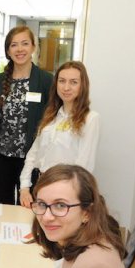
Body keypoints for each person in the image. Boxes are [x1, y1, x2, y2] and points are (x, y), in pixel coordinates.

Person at [0, 164, 131, 268]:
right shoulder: (74, 241)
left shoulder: (97, 267)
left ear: (87, 213)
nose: (46, 217)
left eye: (60, 205)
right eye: (42, 204)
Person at [0, 26, 53, 205]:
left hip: (31, 161)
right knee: (4, 208)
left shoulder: (46, 80)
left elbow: (52, 122)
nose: (20, 49)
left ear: (33, 47)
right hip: (1, 159)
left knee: (29, 210)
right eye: (14, 45)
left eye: (25, 44)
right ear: (7, 50)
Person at [19, 61, 100, 208]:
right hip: (41, 186)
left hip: (67, 194)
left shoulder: (90, 119)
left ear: (83, 85)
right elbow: (33, 154)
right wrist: (24, 187)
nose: (66, 87)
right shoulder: (51, 116)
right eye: (62, 81)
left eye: (73, 82)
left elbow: (84, 166)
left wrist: (68, 199)